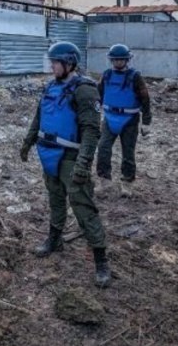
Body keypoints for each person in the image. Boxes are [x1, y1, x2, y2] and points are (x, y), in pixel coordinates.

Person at [19, 42, 111, 287]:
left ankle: (101, 259)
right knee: (55, 199)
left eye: (55, 62)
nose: (52, 66)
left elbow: (92, 131)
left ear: (69, 62)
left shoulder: (84, 90)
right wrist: (28, 142)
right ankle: (54, 239)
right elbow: (39, 117)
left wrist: (83, 164)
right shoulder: (51, 86)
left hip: (71, 158)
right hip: (48, 154)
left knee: (82, 205)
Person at [96, 44, 152, 192]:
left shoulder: (135, 77)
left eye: (121, 60)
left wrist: (146, 122)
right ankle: (104, 180)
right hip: (109, 117)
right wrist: (94, 113)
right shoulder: (106, 75)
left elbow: (145, 98)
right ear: (111, 60)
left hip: (130, 120)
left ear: (127, 60)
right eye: (115, 60)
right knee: (103, 148)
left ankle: (127, 182)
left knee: (128, 152)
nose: (118, 62)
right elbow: (98, 95)